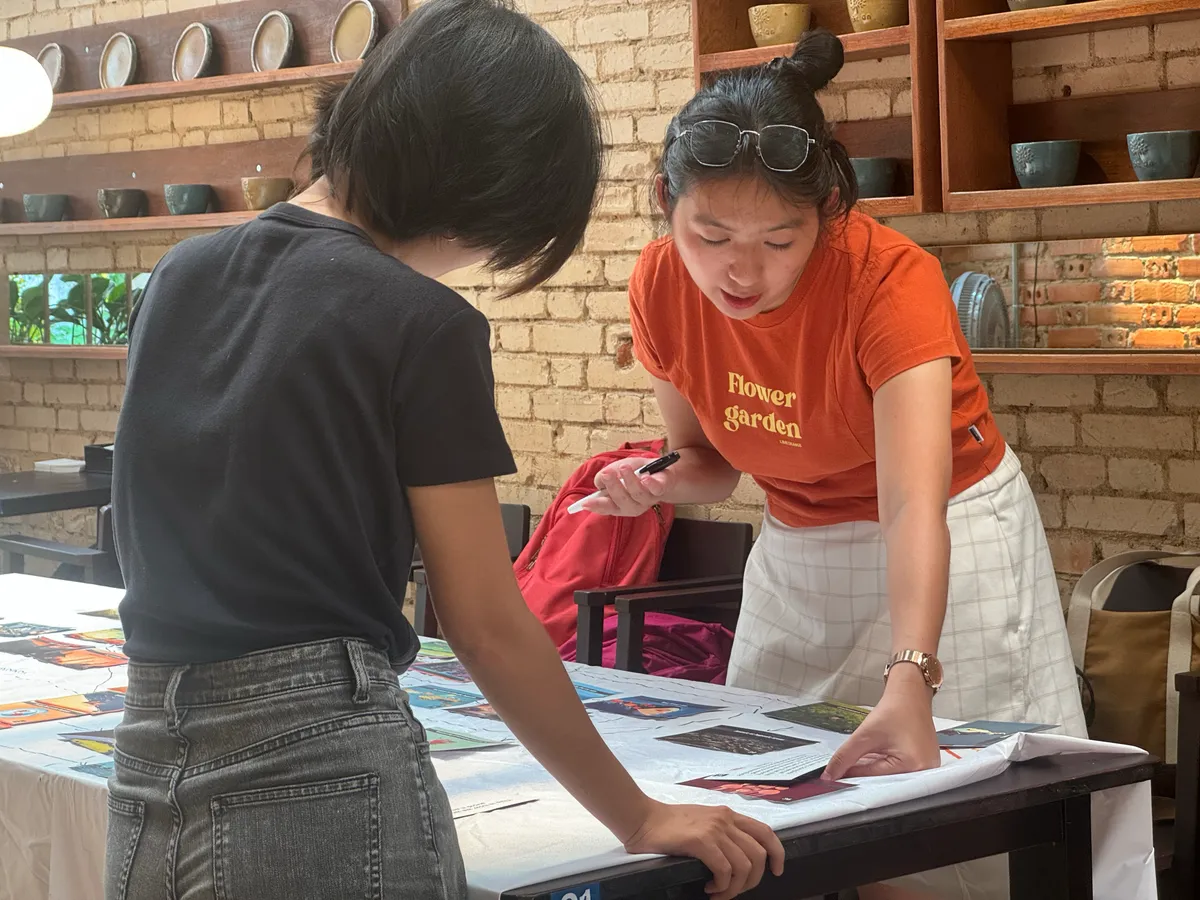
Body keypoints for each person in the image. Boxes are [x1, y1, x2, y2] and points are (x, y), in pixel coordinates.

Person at [106, 2, 784, 898]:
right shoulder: (422, 323)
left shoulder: (182, 276)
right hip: (321, 764)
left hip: (148, 749)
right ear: (482, 187)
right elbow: (487, 623)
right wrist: (641, 816)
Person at [574, 28, 1087, 900]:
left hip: (949, 536)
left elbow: (911, 508)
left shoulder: (889, 280)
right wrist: (649, 489)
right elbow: (706, 464)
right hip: (797, 543)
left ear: (829, 213)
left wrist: (912, 674)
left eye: (782, 240)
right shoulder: (658, 283)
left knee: (954, 828)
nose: (743, 271)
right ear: (667, 204)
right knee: (760, 803)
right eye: (712, 235)